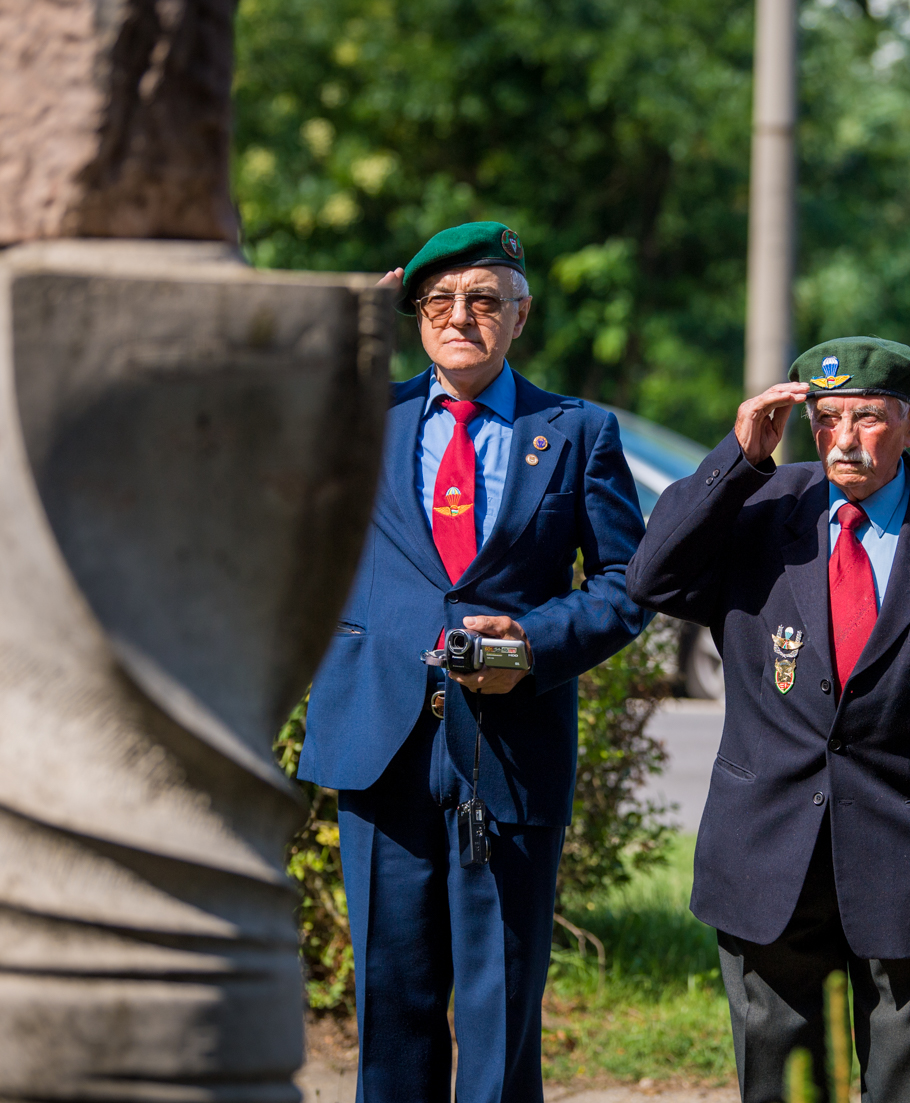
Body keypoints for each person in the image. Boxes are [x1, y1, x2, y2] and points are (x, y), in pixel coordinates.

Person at [298, 222, 651, 1103]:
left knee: (501, 1010)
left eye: (484, 299)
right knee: (391, 1008)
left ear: (519, 316)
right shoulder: (358, 417)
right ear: (414, 313)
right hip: (379, 741)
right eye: (439, 300)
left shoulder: (576, 432)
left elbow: (627, 584)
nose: (460, 316)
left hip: (512, 749)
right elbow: (240, 427)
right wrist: (344, 322)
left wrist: (531, 643)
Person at [627, 337, 910, 1103]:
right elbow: (651, 577)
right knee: (782, 1081)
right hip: (768, 850)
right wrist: (739, 457)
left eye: (867, 418)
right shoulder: (761, 505)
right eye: (827, 419)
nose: (844, 439)